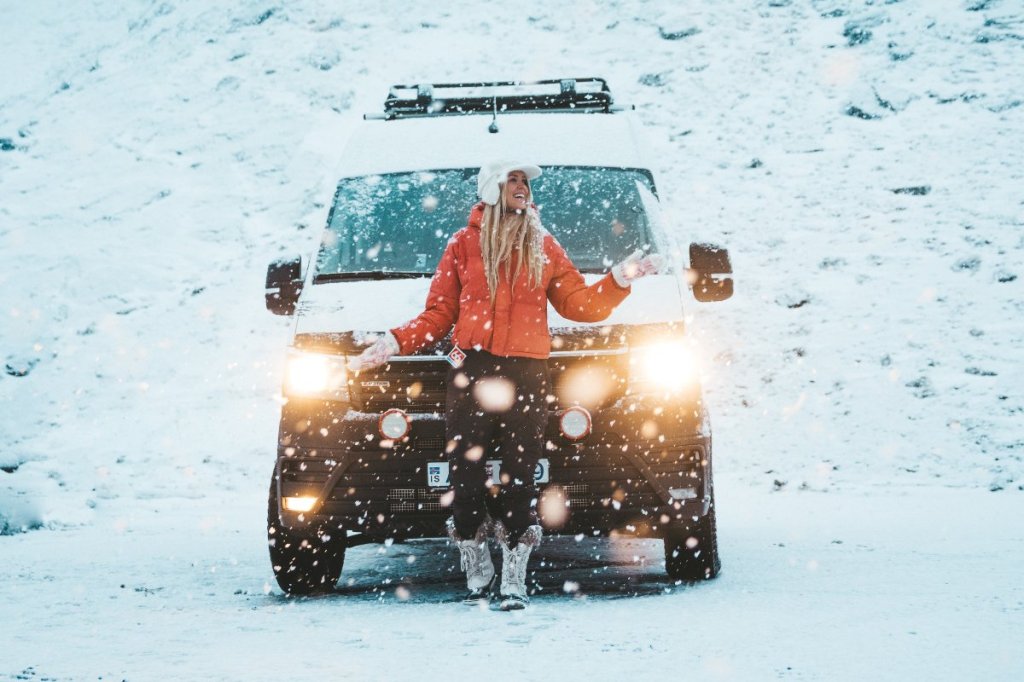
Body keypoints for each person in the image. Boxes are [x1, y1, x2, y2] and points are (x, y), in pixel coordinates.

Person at [350, 160, 661, 610]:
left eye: (525, 181)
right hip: (472, 370)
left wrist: (617, 280)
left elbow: (579, 305)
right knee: (466, 473)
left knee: (521, 475)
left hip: (527, 374)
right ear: (492, 188)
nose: (522, 186)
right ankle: (476, 560)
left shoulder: (542, 245)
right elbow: (439, 314)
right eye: (512, 179)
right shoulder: (462, 245)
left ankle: (514, 572)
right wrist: (395, 341)